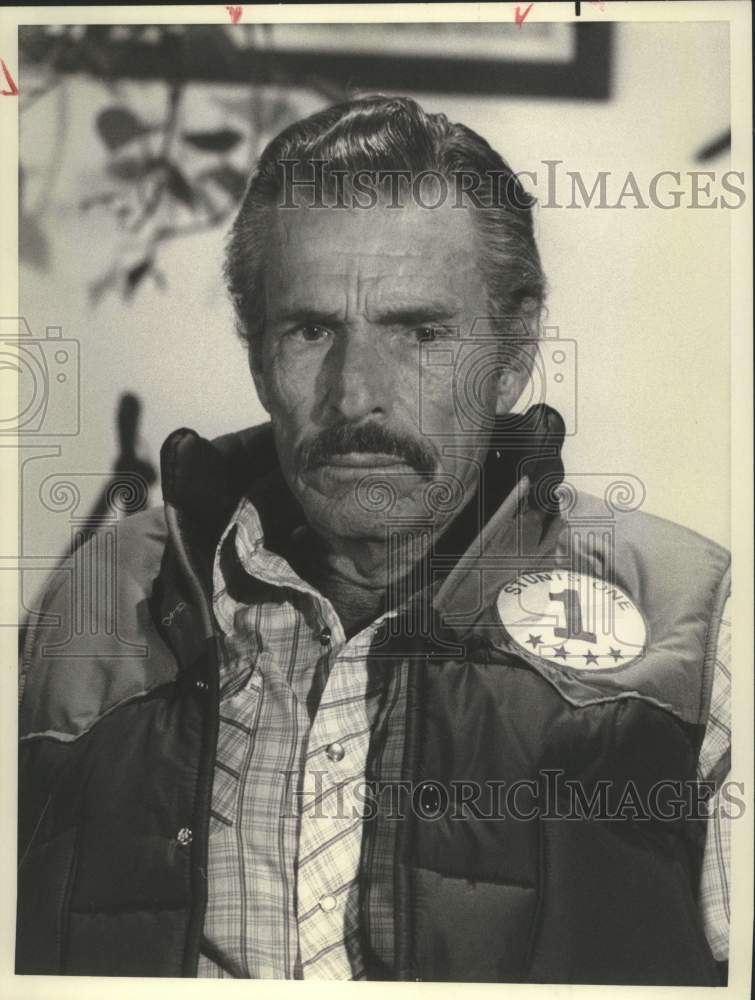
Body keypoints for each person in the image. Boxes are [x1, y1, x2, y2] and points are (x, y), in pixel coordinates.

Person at [16, 96, 730, 983]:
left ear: (512, 355)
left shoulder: (689, 622)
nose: (356, 397)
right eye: (310, 331)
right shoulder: (105, 596)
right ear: (255, 357)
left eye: (420, 334)